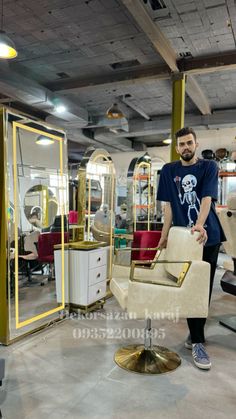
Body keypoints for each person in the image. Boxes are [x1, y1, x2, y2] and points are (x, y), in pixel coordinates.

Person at [157, 126, 225, 371]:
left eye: (189, 143)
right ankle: (196, 334)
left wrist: (199, 225)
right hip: (183, 239)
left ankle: (197, 340)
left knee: (201, 290)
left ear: (196, 144)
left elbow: (207, 199)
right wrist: (164, 237)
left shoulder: (208, 167)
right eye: (181, 144)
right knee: (187, 287)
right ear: (176, 148)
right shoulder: (168, 170)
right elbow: (168, 208)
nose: (185, 147)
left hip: (208, 237)